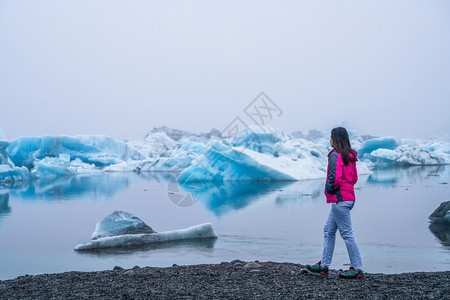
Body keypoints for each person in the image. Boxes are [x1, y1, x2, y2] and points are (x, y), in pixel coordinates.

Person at [306, 127, 364, 279]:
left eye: (331, 137)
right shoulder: (350, 156)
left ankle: (357, 268)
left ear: (335, 139)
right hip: (348, 198)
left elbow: (334, 176)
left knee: (347, 234)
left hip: (340, 199)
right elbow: (354, 178)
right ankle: (324, 265)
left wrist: (329, 188)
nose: (329, 140)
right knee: (328, 230)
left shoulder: (335, 155)